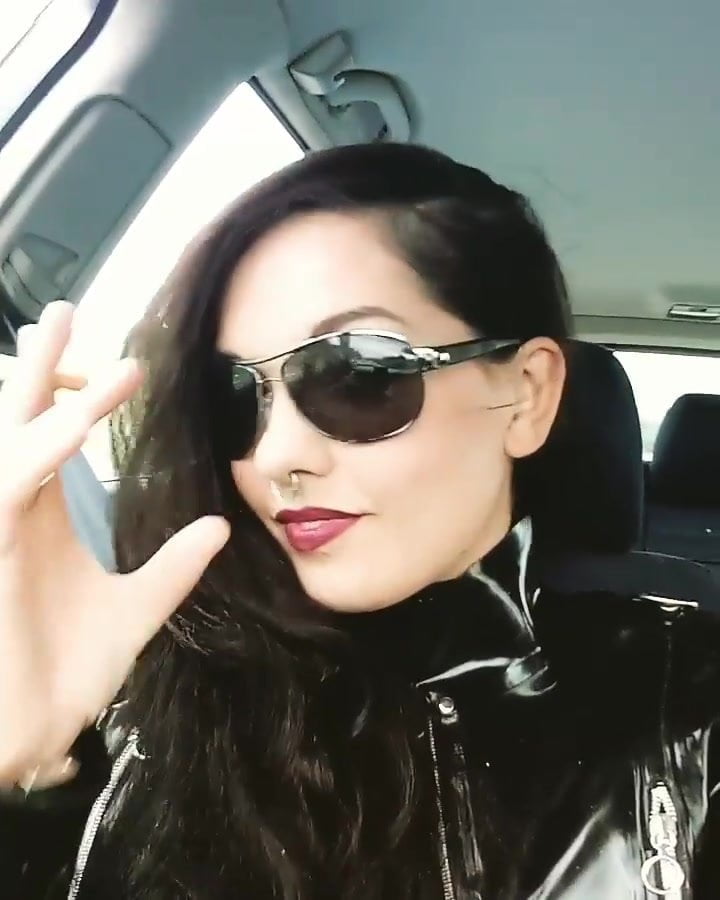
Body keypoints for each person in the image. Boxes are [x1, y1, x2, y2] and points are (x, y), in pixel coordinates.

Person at [0, 142, 718, 900]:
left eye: (357, 375)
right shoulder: (148, 695)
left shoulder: (689, 704)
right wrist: (28, 780)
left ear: (526, 395)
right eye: (233, 396)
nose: (276, 456)